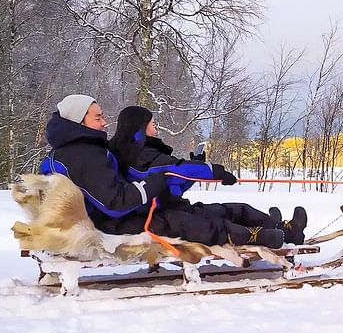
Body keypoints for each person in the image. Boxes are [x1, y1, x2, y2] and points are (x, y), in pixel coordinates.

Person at [39, 94, 286, 248]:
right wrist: (153, 184)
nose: (104, 123)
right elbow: (115, 202)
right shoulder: (82, 155)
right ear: (78, 121)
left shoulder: (81, 151)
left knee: (192, 212)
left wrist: (159, 185)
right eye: (98, 118)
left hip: (105, 218)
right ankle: (255, 236)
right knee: (181, 221)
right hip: (103, 225)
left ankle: (273, 229)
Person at [108, 105, 307, 244]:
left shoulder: (142, 152)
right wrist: (213, 172)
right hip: (163, 215)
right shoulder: (137, 156)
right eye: (152, 124)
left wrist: (197, 167)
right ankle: (269, 234)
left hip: (174, 206)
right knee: (219, 223)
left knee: (234, 209)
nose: (156, 128)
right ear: (139, 129)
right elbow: (174, 170)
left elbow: (172, 184)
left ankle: (283, 227)